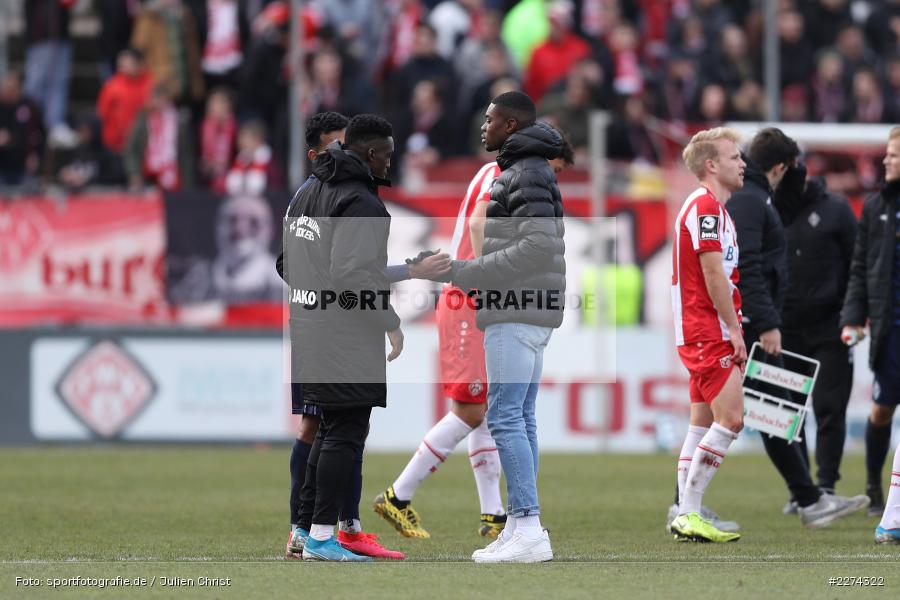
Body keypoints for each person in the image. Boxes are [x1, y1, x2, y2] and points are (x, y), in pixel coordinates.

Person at [373, 126, 575, 541]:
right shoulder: (501, 174)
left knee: (485, 409)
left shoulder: (503, 173)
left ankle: (493, 515)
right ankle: (399, 495)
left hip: (471, 295)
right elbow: (481, 223)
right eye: (555, 167)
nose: (552, 176)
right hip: (471, 299)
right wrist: (491, 280)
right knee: (473, 411)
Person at [280, 112, 448, 561]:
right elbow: (353, 277)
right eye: (388, 156)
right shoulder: (361, 202)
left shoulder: (311, 190)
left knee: (329, 429)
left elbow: (287, 263)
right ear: (372, 154)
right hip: (343, 335)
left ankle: (311, 533)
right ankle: (319, 537)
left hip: (311, 327)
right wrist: (389, 322)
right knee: (344, 432)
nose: (390, 165)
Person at [726, 127, 868, 527]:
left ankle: (815, 492)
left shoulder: (765, 202)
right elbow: (749, 266)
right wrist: (769, 320)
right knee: (764, 412)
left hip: (804, 324)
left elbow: (855, 265)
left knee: (789, 410)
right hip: (767, 325)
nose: (739, 164)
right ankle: (806, 496)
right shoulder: (755, 203)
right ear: (780, 168)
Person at [449, 91, 565, 563]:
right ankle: (521, 524)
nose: (484, 125)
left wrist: (475, 272)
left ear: (512, 125)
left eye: (492, 119)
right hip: (529, 309)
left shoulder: (524, 172)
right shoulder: (530, 169)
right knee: (522, 417)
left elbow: (537, 245)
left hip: (515, 310)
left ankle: (529, 526)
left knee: (504, 417)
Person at [668, 127, 747, 544]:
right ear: (712, 164)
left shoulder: (711, 207)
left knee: (700, 424)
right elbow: (714, 274)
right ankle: (691, 512)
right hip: (707, 330)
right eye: (735, 157)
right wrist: (734, 329)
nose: (742, 163)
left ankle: (683, 513)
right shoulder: (706, 207)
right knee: (731, 419)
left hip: (700, 328)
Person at [779, 168, 857, 502]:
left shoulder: (837, 209)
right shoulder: (771, 209)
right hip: (784, 329)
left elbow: (858, 264)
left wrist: (852, 315)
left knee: (829, 406)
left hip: (830, 327)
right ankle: (802, 491)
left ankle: (826, 483)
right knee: (788, 412)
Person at [841, 127, 900, 535]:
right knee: (882, 410)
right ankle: (872, 485)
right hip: (889, 327)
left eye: (894, 155)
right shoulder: (877, 205)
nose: (886, 160)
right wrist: (852, 316)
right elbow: (861, 267)